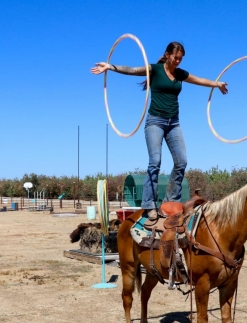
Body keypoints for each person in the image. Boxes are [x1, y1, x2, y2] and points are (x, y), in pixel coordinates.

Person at [91, 42, 228, 220]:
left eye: (180, 58)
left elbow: (199, 80)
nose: (178, 61)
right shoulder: (155, 69)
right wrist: (110, 66)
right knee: (155, 161)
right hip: (155, 122)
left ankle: (170, 202)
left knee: (182, 161)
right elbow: (132, 70)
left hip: (174, 124)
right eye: (175, 57)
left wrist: (217, 84)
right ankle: (149, 205)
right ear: (167, 54)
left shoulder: (180, 74)